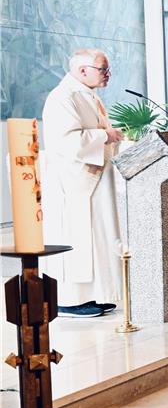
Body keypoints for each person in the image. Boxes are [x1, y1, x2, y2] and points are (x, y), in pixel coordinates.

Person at [39, 48, 123, 316]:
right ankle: (69, 300)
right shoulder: (63, 97)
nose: (107, 75)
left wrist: (110, 138)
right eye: (103, 69)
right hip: (73, 183)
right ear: (82, 70)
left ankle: (95, 294)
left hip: (93, 179)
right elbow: (66, 141)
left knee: (96, 239)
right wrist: (104, 136)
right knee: (76, 239)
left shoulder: (89, 96)